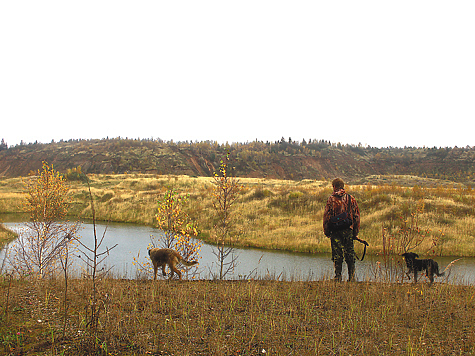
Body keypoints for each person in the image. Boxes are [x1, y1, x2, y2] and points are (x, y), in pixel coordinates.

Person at [323, 178, 361, 282]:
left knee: (337, 254)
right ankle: (352, 278)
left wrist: (326, 231)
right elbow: (356, 216)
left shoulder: (331, 199)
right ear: (343, 186)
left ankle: (338, 277)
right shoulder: (351, 198)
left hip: (335, 231)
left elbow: (326, 216)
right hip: (348, 230)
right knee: (350, 253)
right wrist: (355, 232)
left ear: (334, 187)